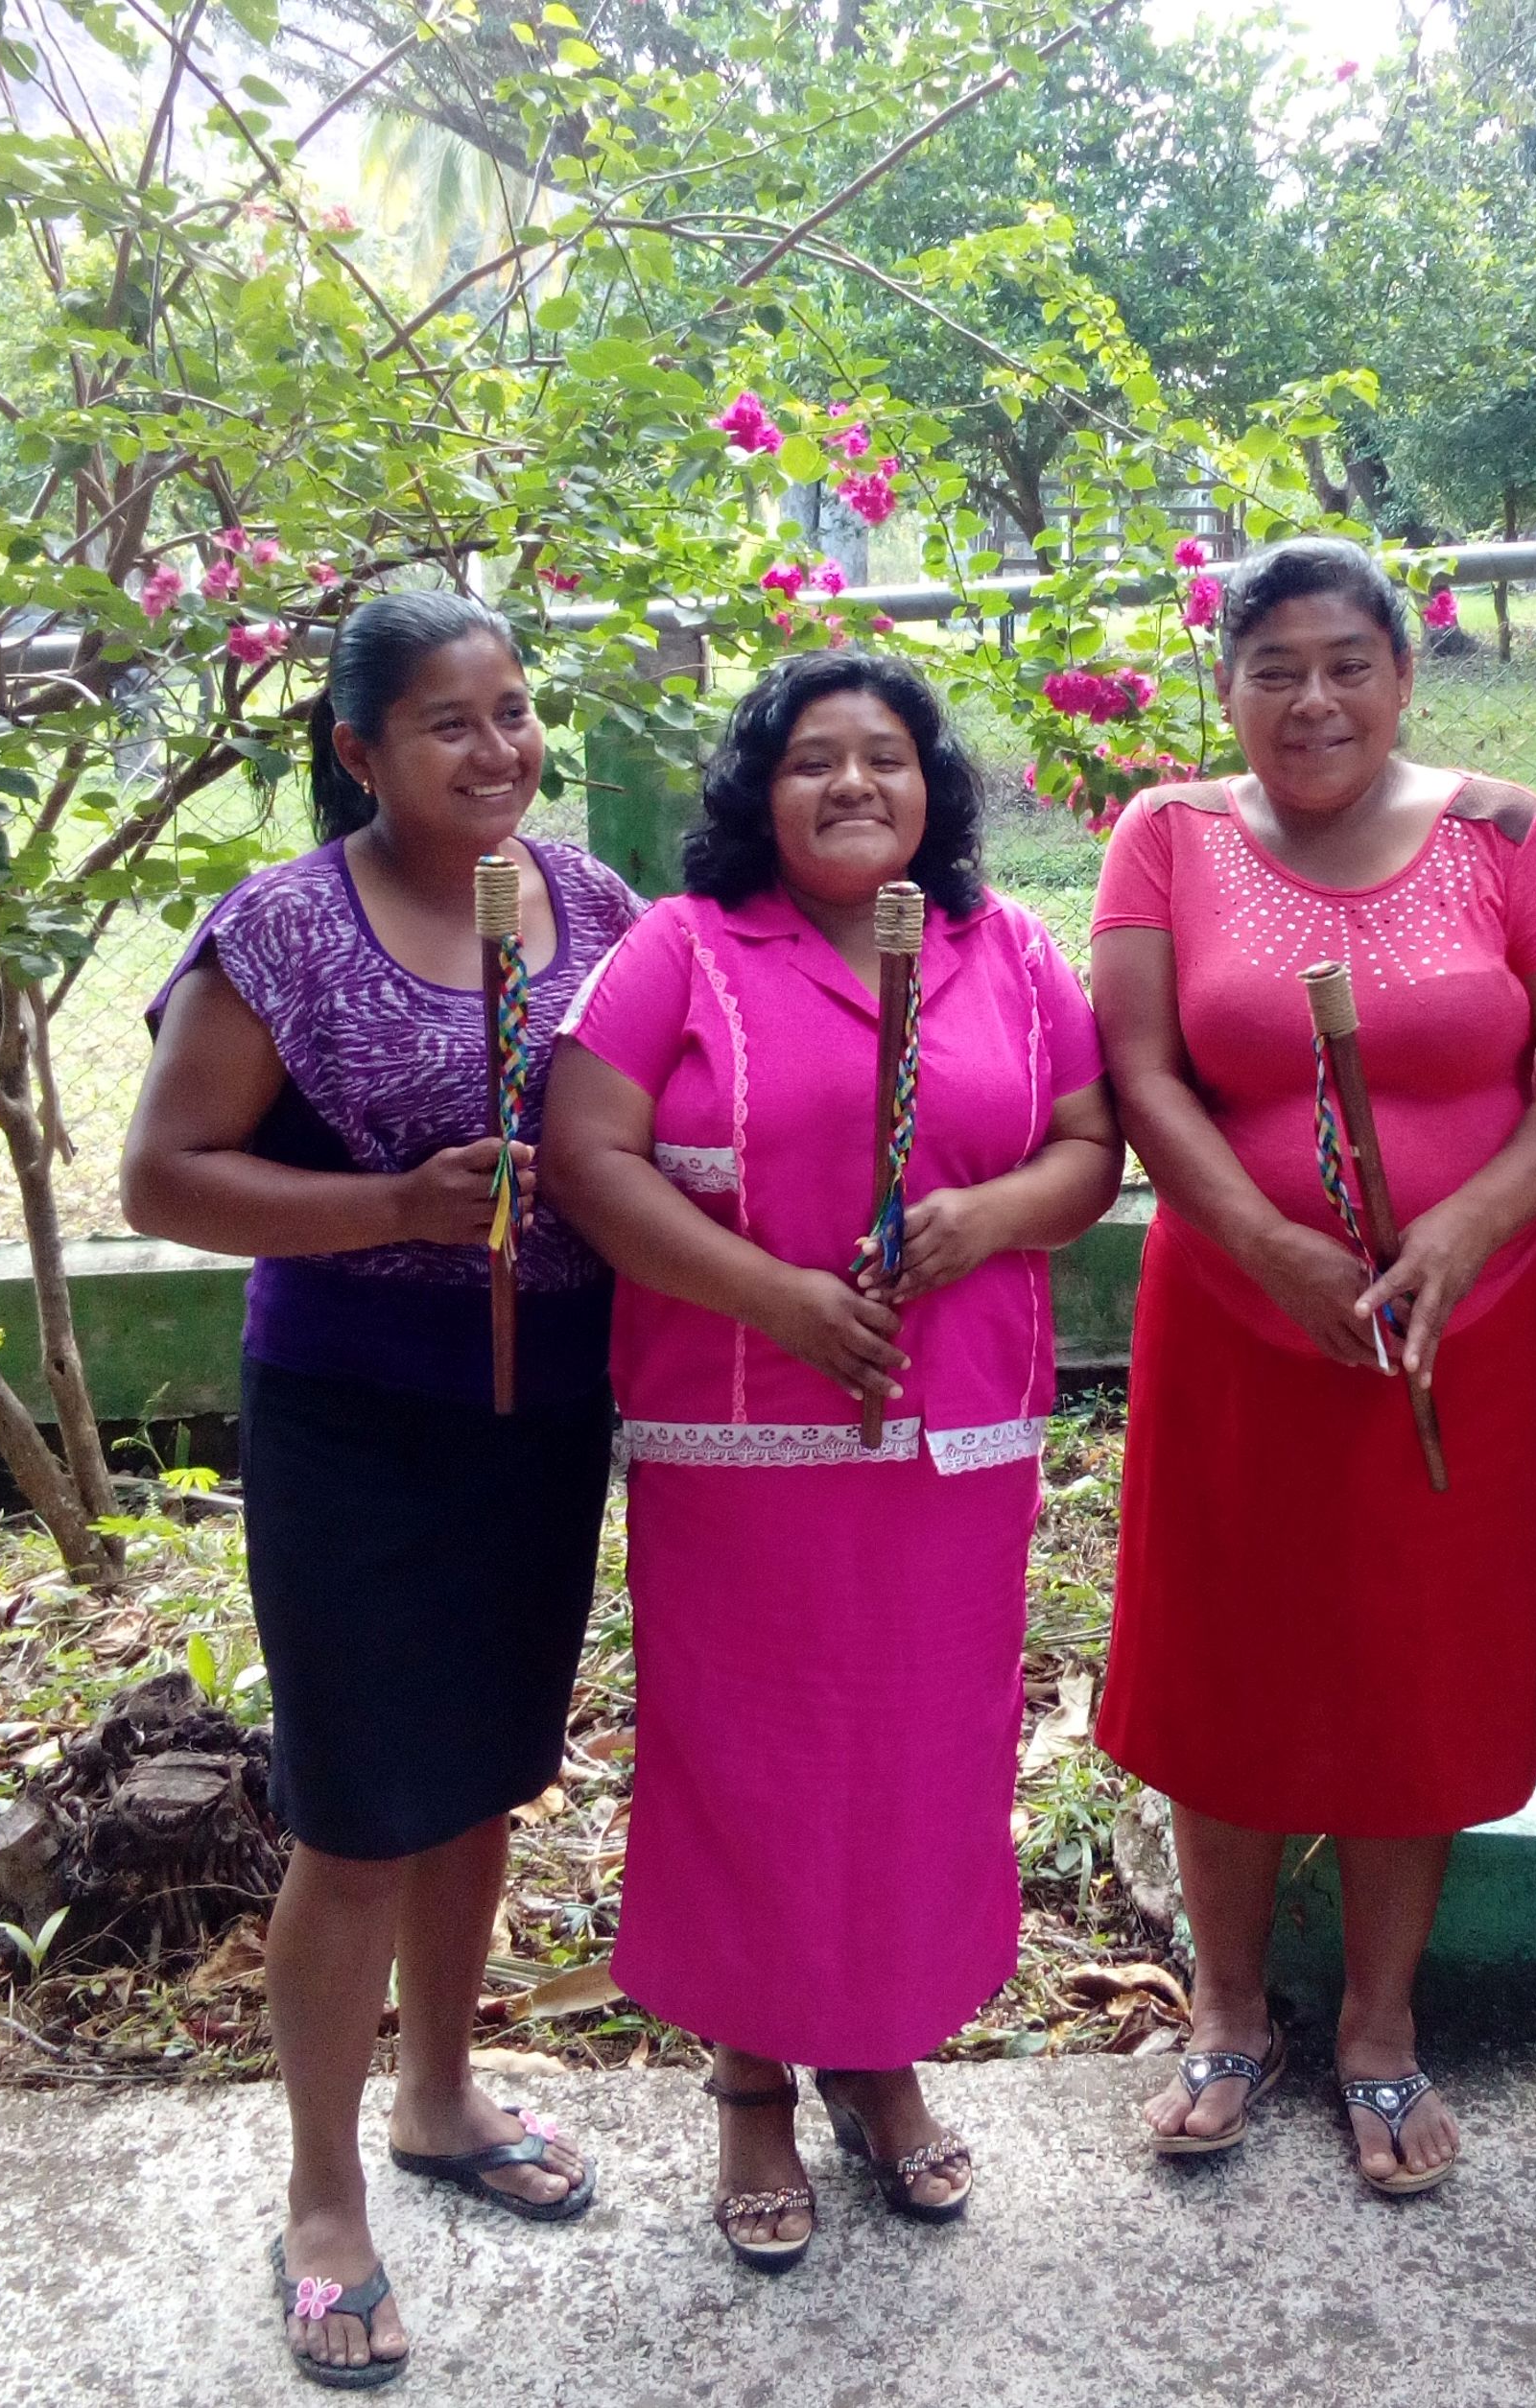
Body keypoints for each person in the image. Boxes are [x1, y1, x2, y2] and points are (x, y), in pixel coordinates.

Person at [541, 649, 1122, 2271]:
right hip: (741, 1443)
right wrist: (774, 1297)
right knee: (753, 1754)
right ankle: (748, 2074)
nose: (852, 782)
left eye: (885, 755)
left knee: (920, 1756)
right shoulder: (682, 947)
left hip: (953, 1443)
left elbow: (1091, 1145)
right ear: (760, 791)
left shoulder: (1008, 950)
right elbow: (583, 1154)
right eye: (812, 758)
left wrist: (985, 1217)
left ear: (931, 786)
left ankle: (878, 2052)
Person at [123, 590, 640, 2386]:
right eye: (447, 721)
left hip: (543, 1404)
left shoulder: (595, 905)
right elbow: (164, 1177)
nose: (498, 750)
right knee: (357, 1813)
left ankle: (439, 2094)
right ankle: (324, 2192)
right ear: (358, 749)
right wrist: (396, 1206)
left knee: (483, 1769)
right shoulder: (280, 928)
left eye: (514, 710)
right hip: (353, 1415)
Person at [1087, 536, 1536, 2198]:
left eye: (1346, 664)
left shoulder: (1509, 834)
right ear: (1226, 689)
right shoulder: (1165, 834)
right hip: (1235, 1326)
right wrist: (1270, 1244)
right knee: (1227, 1650)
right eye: (1273, 669)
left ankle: (1380, 2021)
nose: (1311, 699)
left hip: (1461, 1328)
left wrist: (1463, 1229)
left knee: (1418, 1658)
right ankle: (1228, 2007)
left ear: (1402, 677)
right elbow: (1140, 1074)